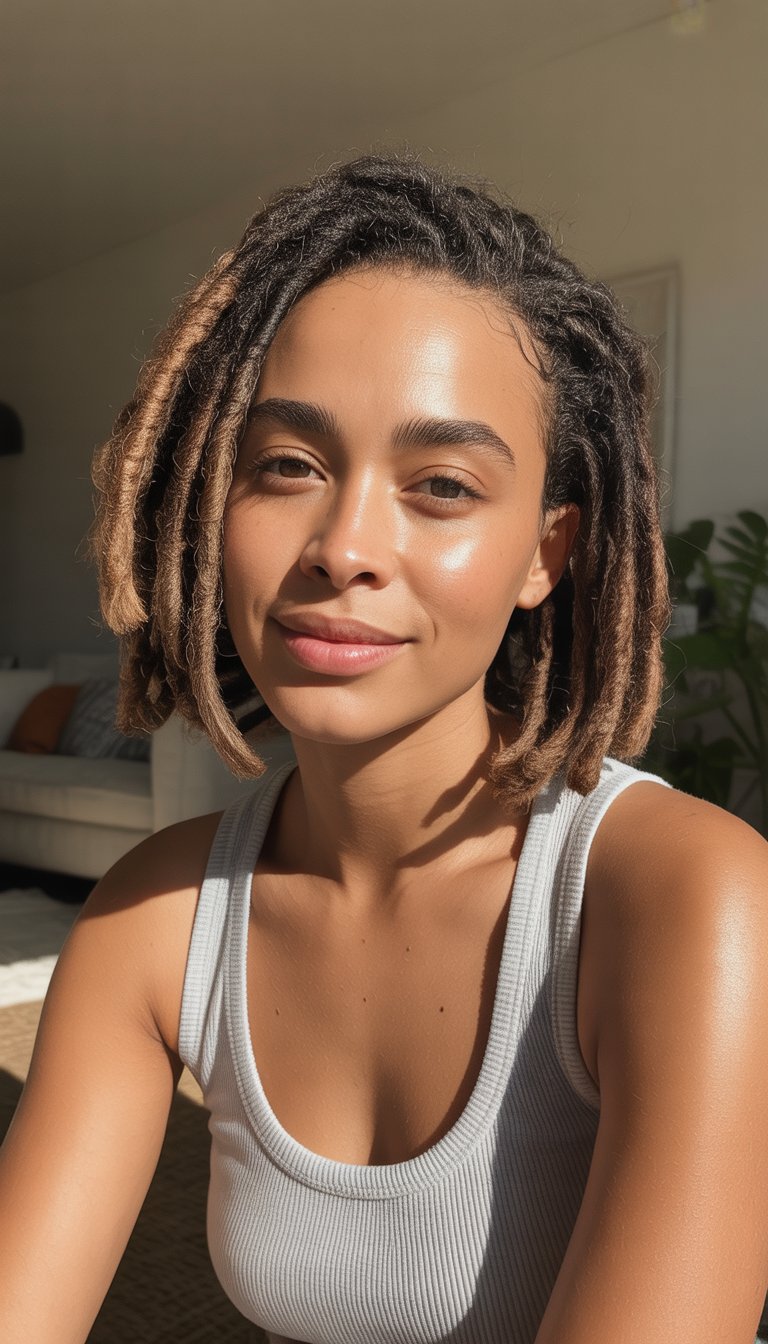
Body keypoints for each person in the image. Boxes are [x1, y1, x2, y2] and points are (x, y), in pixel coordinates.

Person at [1, 153, 767, 1344]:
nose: (345, 545)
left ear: (545, 556)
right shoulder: (148, 920)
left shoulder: (678, 899)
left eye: (444, 485)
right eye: (289, 466)